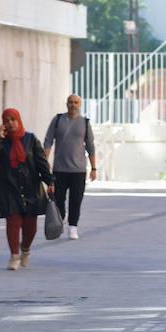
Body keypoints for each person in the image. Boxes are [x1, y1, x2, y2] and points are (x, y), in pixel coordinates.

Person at [0, 108, 54, 270]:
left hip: (31, 188)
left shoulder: (30, 139)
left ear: (19, 120)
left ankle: (25, 249)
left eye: (13, 119)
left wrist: (50, 181)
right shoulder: (1, 142)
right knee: (13, 222)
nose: (10, 123)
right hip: (8, 188)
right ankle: (14, 255)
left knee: (30, 227)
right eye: (6, 121)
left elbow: (41, 162)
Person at [44, 94, 96, 240]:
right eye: (70, 102)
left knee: (76, 199)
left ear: (80, 105)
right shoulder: (57, 120)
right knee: (58, 198)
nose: (73, 105)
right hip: (59, 169)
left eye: (76, 102)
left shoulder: (84, 122)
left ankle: (73, 227)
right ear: (66, 104)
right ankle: (62, 216)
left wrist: (94, 168)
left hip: (78, 170)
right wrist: (45, 160)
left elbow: (90, 146)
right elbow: (48, 141)